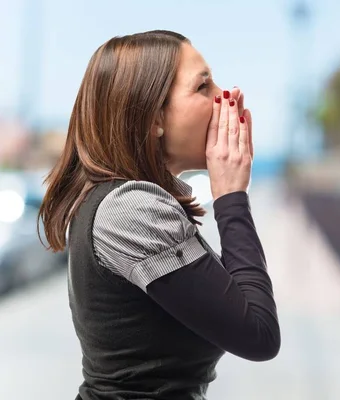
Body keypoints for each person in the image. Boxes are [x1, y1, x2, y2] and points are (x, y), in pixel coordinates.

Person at [38, 30, 280, 400]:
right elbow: (258, 332)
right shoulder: (130, 209)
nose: (223, 98)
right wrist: (231, 195)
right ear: (154, 118)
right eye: (203, 87)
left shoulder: (127, 201)